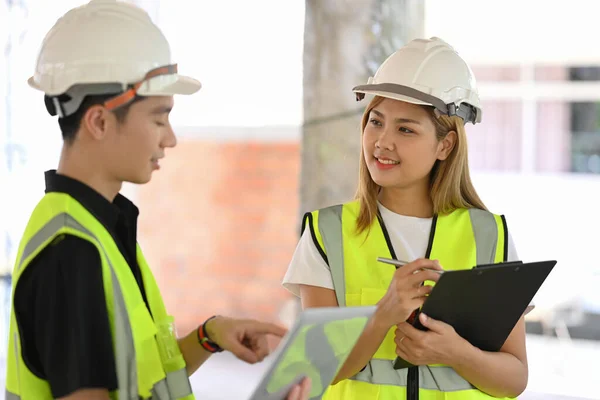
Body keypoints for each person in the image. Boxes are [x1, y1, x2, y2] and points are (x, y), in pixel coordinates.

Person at [4, 1, 311, 399]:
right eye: (158, 118)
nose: (170, 138)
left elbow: (141, 379)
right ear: (99, 121)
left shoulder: (99, 226)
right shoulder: (72, 254)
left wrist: (208, 336)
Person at [282, 37, 528, 399]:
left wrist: (456, 353)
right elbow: (313, 372)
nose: (382, 142)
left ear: (445, 145)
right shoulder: (327, 234)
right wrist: (384, 315)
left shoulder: (489, 236)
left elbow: (515, 378)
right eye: (376, 122)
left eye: (406, 129)